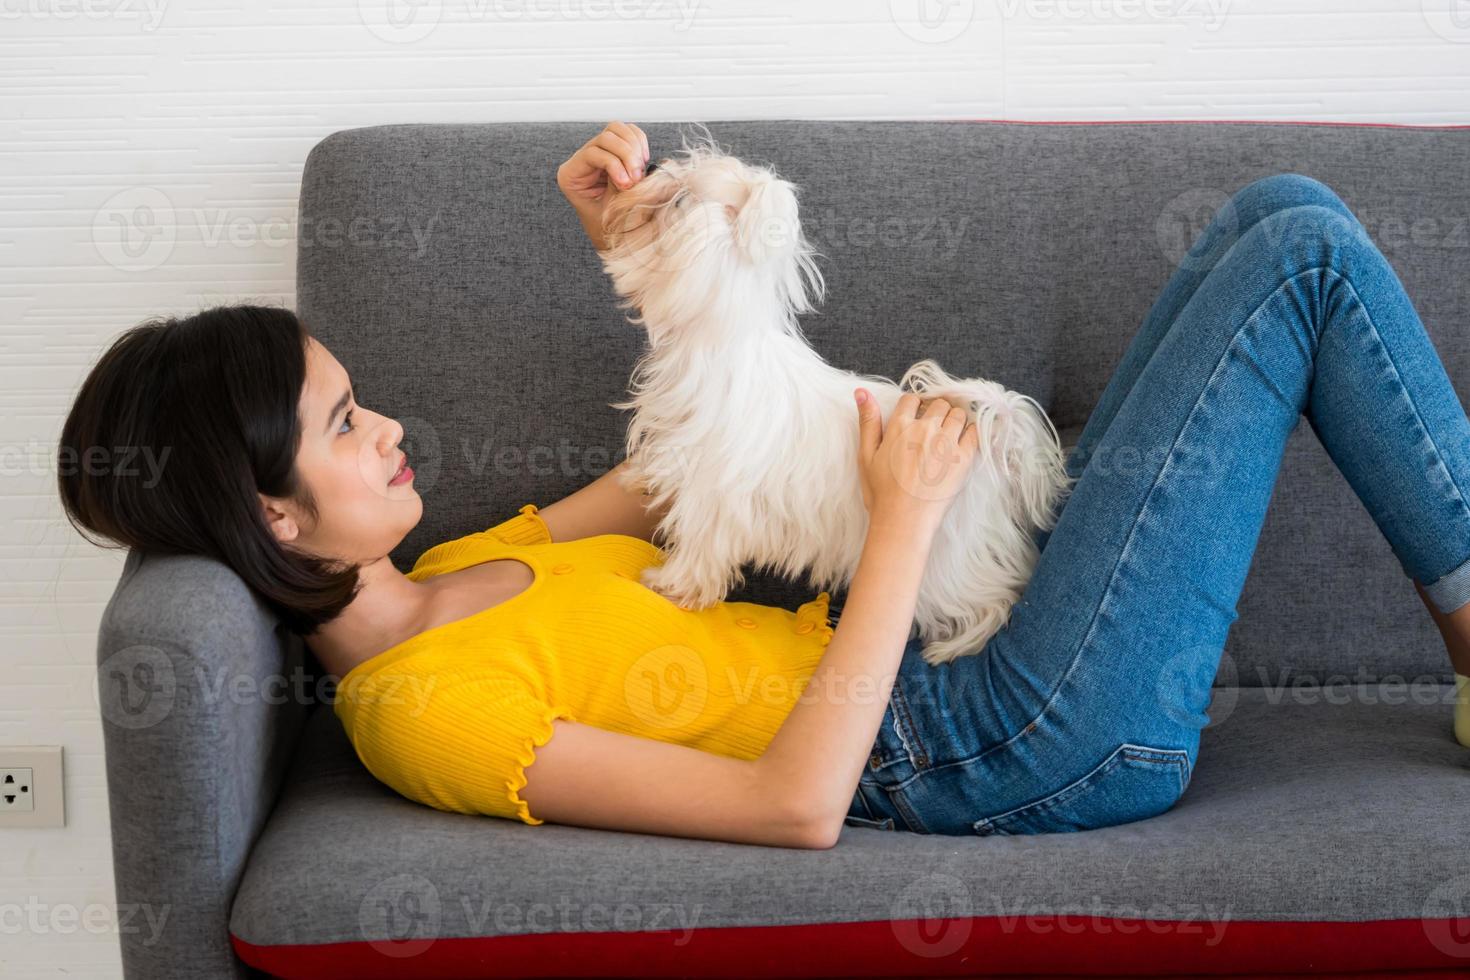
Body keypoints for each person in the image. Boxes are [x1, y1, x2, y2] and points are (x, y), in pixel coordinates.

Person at [57, 122, 1470, 849]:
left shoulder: (471, 559)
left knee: (1276, 215)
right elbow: (791, 812)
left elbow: (702, 434)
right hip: (1000, 738)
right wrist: (904, 521)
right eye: (348, 421)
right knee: (1301, 261)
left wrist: (638, 232)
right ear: (273, 515)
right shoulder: (424, 713)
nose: (394, 425)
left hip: (983, 632)